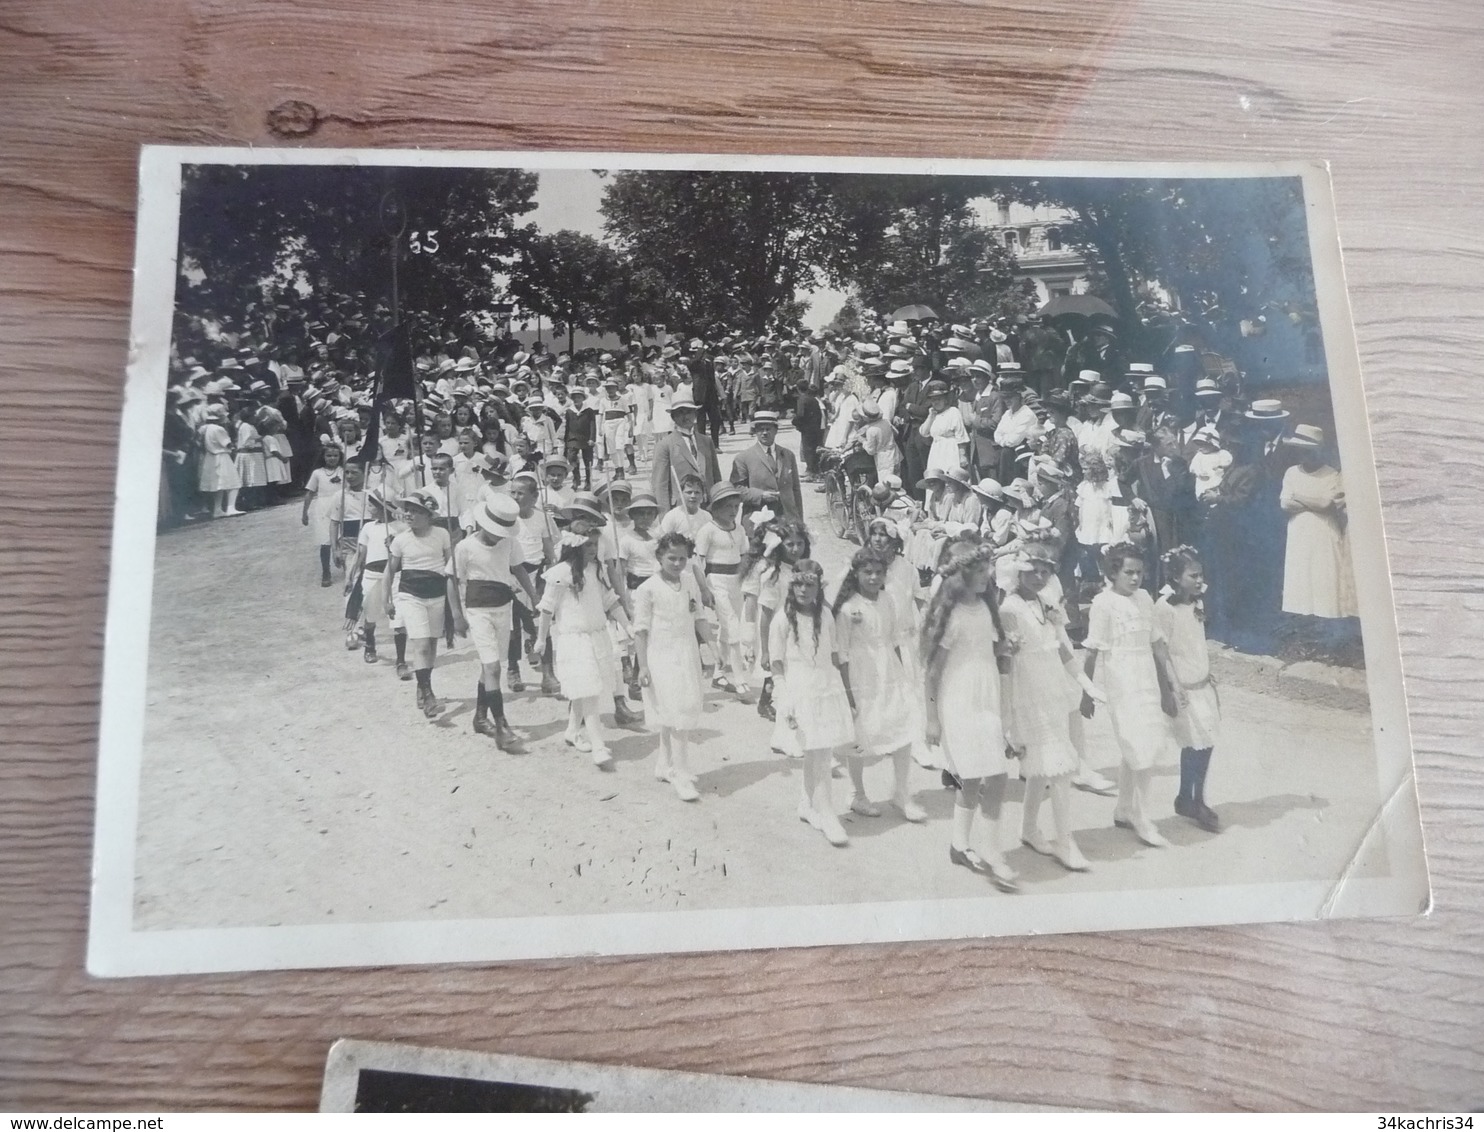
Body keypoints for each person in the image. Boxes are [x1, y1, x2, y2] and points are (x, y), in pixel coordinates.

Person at [921, 541, 1018, 892]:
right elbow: (932, 672)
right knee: (986, 774)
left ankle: (959, 845)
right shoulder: (951, 615)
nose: (986, 576)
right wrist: (932, 718)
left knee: (984, 776)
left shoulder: (988, 610)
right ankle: (991, 851)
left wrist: (1006, 649)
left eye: (987, 570)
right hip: (959, 699)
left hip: (987, 695)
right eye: (978, 571)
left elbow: (992, 652)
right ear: (959, 575)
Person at [1000, 545, 1102, 873]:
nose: (1040, 577)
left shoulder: (1047, 604)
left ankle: (1029, 828)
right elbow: (1007, 663)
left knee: (1044, 765)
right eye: (1032, 571)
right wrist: (1007, 715)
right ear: (1018, 573)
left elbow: (1064, 652)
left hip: (1052, 690)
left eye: (1045, 571)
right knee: (1058, 768)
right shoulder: (1010, 608)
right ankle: (1065, 841)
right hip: (1028, 694)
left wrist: (1087, 685)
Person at [1081, 542, 1181, 848]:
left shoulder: (1145, 599)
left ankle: (1124, 810)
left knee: (1139, 746)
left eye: (1139, 572)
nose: (1135, 578)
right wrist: (1086, 692)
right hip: (1120, 681)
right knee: (1139, 746)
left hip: (1146, 678)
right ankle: (1142, 817)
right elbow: (1093, 650)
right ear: (1114, 573)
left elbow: (1158, 645)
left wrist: (1170, 687)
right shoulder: (1103, 603)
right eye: (1129, 572)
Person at [833, 548, 929, 824]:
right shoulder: (849, 608)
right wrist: (848, 692)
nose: (874, 577)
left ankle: (901, 792)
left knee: (903, 723)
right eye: (868, 572)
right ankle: (856, 793)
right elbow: (842, 654)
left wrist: (902, 674)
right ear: (856, 574)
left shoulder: (888, 598)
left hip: (889, 669)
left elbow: (894, 638)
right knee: (861, 734)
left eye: (879, 572)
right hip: (861, 673)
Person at [769, 560, 856, 847]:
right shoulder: (781, 620)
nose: (803, 590)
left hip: (826, 687)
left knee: (822, 749)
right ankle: (827, 813)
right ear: (791, 585)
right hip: (800, 690)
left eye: (810, 585)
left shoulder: (827, 616)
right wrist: (785, 701)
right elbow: (777, 665)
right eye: (798, 584)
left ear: (819, 588)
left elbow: (833, 657)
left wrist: (846, 692)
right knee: (816, 751)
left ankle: (808, 805)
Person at [534, 514, 627, 769]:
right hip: (574, 639)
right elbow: (546, 608)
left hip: (597, 636)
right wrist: (541, 639)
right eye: (588, 545)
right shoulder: (560, 573)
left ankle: (572, 731)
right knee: (589, 691)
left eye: (595, 545)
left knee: (585, 689)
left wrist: (628, 626)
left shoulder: (596, 570)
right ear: (575, 546)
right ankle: (598, 745)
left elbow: (609, 599)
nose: (593, 550)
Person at [447, 494, 539, 748]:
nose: (498, 535)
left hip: (503, 608)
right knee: (493, 668)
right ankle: (501, 726)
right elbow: (451, 579)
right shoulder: (465, 547)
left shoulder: (509, 543)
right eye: (494, 530)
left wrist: (534, 596)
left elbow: (519, 569)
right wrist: (456, 615)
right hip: (478, 611)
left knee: (490, 666)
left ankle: (479, 717)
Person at [634, 532, 709, 802]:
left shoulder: (689, 582)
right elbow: (640, 631)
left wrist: (713, 648)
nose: (677, 564)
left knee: (677, 710)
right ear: (659, 557)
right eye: (671, 558)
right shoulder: (648, 589)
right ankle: (681, 772)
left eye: (683, 559)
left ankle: (664, 765)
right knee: (678, 712)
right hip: (661, 656)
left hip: (686, 653)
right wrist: (642, 667)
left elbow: (699, 616)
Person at [1154, 545, 1223, 832]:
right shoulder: (1164, 608)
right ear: (1175, 577)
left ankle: (1189, 796)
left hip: (1202, 683)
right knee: (1194, 742)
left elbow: (1195, 642)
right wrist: (1169, 689)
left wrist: (1207, 671)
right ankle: (1193, 800)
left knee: (1205, 741)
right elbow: (1160, 650)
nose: (1198, 580)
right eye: (1192, 575)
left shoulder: (1197, 603)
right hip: (1183, 688)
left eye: (1200, 575)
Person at [384, 487, 454, 720]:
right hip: (410, 595)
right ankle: (429, 694)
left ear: (428, 514)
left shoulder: (442, 534)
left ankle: (422, 685)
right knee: (421, 645)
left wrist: (456, 600)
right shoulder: (401, 540)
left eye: (415, 511)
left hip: (437, 595)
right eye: (407, 511)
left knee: (432, 646)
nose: (409, 515)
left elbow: (450, 566)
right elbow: (390, 571)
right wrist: (387, 598)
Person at [1279, 425, 1358, 621]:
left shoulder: (1331, 474)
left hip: (1323, 531)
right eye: (1301, 451)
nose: (1305, 456)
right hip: (1298, 530)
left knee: (1324, 576)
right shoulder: (1291, 473)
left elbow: (1325, 505)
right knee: (1301, 576)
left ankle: (1327, 626)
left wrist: (1298, 495)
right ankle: (1305, 628)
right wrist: (1312, 501)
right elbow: (1285, 504)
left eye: (1309, 451)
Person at [693, 482, 751, 697]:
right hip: (716, 580)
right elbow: (697, 562)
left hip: (736, 581)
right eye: (728, 507)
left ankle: (718, 673)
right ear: (715, 508)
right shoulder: (707, 530)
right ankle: (740, 679)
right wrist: (704, 590)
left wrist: (746, 579)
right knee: (731, 626)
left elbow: (744, 555)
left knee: (729, 627)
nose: (733, 511)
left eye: (736, 507)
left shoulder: (740, 529)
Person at [344, 489, 402, 667]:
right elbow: (360, 554)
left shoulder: (401, 528)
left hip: (395, 574)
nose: (368, 508)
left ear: (382, 507)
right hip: (371, 574)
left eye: (371, 505)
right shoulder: (368, 527)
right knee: (371, 612)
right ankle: (370, 645)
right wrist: (350, 577)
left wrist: (394, 544)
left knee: (398, 616)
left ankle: (401, 660)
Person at [729, 409, 804, 520]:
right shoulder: (743, 457)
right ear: (755, 431)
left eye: (768, 429)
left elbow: (796, 489)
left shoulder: (788, 455)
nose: (764, 433)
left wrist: (799, 520)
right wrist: (760, 495)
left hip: (787, 519)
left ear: (776, 430)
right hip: (758, 519)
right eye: (760, 429)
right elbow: (736, 489)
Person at [650, 398, 721, 512]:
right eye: (680, 413)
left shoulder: (706, 441)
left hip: (708, 506)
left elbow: (716, 476)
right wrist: (665, 516)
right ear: (673, 417)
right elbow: (660, 484)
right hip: (681, 508)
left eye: (689, 412)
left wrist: (719, 506)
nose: (685, 416)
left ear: (695, 414)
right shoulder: (665, 445)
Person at [302, 444, 345, 586]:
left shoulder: (344, 471)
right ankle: (326, 571)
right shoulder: (317, 473)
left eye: (335, 456)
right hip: (323, 508)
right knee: (325, 541)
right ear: (323, 457)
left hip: (341, 505)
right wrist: (305, 513)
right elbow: (310, 493)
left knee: (343, 538)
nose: (332, 458)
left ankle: (347, 567)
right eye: (329, 456)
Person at [198, 403, 243, 518]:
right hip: (221, 456)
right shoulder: (219, 429)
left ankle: (217, 509)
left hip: (210, 457)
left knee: (219, 485)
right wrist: (233, 447)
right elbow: (227, 444)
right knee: (234, 483)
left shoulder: (204, 428)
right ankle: (230, 507)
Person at [919, 380, 969, 476]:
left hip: (951, 450)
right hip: (936, 451)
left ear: (945, 399)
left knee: (950, 476)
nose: (936, 402)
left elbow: (960, 435)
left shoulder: (953, 412)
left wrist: (962, 456)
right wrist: (931, 416)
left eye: (939, 399)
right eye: (933, 400)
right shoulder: (933, 415)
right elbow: (924, 433)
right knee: (935, 477)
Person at [659, 472, 712, 539]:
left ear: (702, 495)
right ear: (680, 494)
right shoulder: (672, 516)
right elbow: (663, 541)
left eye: (697, 492)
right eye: (689, 492)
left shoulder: (707, 516)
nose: (693, 496)